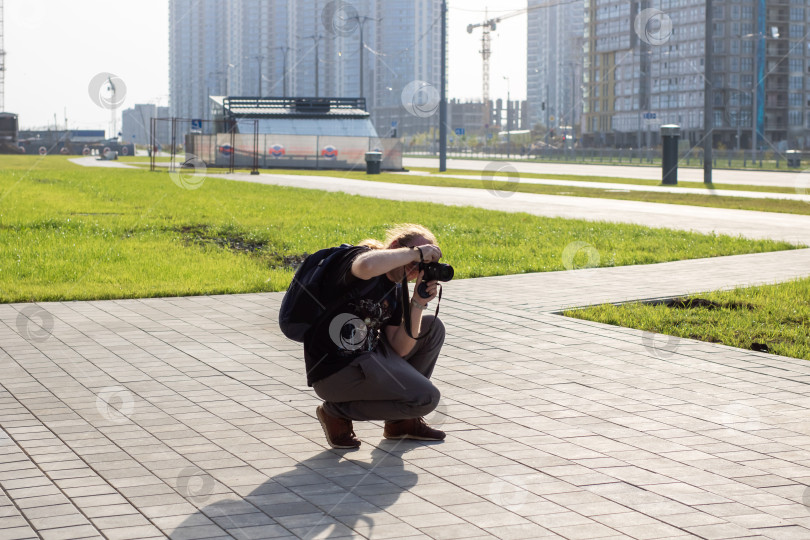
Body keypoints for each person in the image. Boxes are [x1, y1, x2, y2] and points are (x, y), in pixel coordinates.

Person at [305, 223, 446, 449]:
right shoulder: (359, 258)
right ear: (394, 247)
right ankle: (335, 412)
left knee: (432, 328)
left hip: (368, 358)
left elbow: (401, 349)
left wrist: (418, 303)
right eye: (413, 258)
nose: (415, 267)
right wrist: (419, 252)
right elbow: (367, 265)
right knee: (426, 398)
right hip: (336, 370)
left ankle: (400, 422)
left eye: (422, 265)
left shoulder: (397, 286)